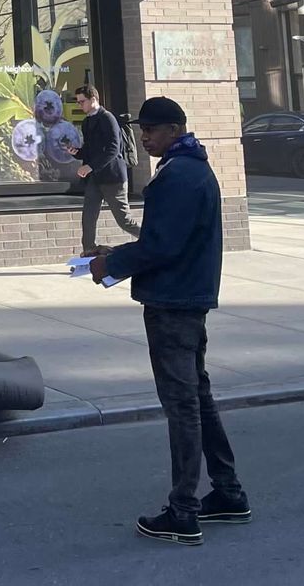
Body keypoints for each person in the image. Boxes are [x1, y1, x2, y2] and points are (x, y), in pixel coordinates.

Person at [91, 96, 248, 547]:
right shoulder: (190, 168)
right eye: (142, 129)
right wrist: (113, 254)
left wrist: (112, 266)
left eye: (154, 130)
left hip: (173, 302)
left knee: (182, 405)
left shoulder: (177, 176)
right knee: (197, 396)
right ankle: (229, 493)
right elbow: (167, 239)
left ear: (176, 129)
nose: (145, 137)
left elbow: (161, 247)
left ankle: (183, 511)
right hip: (187, 297)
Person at [69, 85, 140, 257]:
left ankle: (155, 240)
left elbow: (113, 149)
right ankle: (89, 250)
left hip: (113, 177)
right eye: (78, 102)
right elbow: (90, 150)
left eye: (82, 101)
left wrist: (90, 166)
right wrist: (77, 152)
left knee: (124, 220)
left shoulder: (108, 118)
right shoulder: (87, 122)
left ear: (93, 99)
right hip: (96, 178)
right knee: (88, 216)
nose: (80, 105)